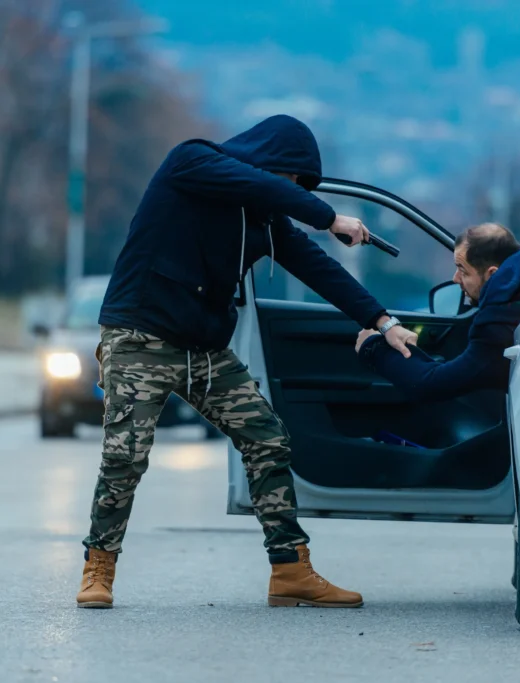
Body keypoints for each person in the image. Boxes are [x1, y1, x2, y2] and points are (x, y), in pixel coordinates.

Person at [77, 114, 417, 610]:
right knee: (125, 455)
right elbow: (260, 184)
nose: (291, 189)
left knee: (268, 439)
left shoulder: (263, 220)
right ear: (267, 159)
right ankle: (99, 567)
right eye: (291, 178)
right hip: (140, 336)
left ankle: (290, 569)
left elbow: (319, 268)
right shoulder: (192, 162)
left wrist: (383, 322)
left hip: (204, 350)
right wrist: (328, 217)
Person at [355, 223, 520, 402]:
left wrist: (374, 348)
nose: (455, 279)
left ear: (493, 274)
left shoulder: (499, 324)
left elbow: (430, 385)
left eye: (463, 270)